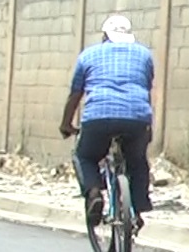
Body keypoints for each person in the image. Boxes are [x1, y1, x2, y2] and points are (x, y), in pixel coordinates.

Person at [60, 14, 156, 230]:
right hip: (138, 117)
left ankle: (94, 192)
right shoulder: (144, 54)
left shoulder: (88, 55)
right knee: (137, 161)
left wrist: (66, 124)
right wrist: (147, 127)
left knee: (84, 155)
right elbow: (145, 89)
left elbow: (75, 94)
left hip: (98, 117)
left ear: (105, 36)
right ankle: (138, 208)